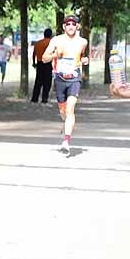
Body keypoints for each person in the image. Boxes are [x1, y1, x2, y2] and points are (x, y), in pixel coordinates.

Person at [42, 14, 89, 154]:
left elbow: (82, 57)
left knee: (70, 109)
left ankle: (66, 141)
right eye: (68, 24)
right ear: (64, 26)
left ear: (77, 26)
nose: (70, 26)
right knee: (63, 112)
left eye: (73, 24)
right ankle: (66, 124)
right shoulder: (56, 40)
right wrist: (56, 55)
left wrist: (84, 60)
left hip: (74, 78)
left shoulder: (83, 42)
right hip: (60, 79)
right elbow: (44, 58)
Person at [31, 28, 54, 104]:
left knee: (38, 82)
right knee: (47, 82)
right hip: (47, 64)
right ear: (50, 35)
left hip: (39, 63)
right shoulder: (51, 43)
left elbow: (34, 54)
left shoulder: (38, 43)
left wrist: (34, 63)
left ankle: (34, 98)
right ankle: (44, 98)